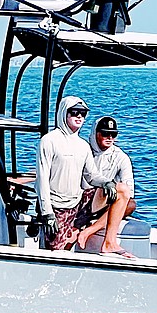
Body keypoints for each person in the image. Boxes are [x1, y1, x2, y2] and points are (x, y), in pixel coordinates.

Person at [36, 96, 118, 251]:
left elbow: (91, 176)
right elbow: (42, 180)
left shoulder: (83, 146)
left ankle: (105, 241)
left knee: (120, 191)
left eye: (83, 113)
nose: (79, 116)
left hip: (77, 205)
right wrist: (47, 213)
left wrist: (106, 183)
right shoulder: (49, 141)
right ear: (63, 113)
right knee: (56, 252)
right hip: (55, 208)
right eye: (74, 112)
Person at [74, 116, 136, 254]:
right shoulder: (83, 150)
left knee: (130, 202)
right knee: (62, 244)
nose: (110, 138)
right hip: (79, 200)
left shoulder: (121, 157)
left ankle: (96, 233)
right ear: (95, 133)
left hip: (103, 201)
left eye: (113, 134)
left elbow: (129, 191)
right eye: (105, 134)